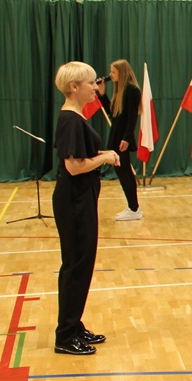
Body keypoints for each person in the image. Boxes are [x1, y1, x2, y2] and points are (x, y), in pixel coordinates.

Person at [52, 61, 120, 356]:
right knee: (76, 265)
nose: (96, 87)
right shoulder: (70, 119)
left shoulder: (76, 117)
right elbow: (74, 166)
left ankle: (74, 324)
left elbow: (82, 154)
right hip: (74, 200)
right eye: (91, 83)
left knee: (81, 263)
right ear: (74, 87)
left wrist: (103, 152)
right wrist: (104, 158)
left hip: (81, 198)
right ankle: (65, 335)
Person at [96, 59, 142, 221]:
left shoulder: (132, 90)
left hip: (123, 138)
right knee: (123, 171)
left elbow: (132, 118)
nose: (110, 75)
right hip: (117, 135)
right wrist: (102, 94)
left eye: (113, 72)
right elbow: (112, 112)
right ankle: (133, 207)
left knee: (124, 172)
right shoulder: (120, 90)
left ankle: (134, 208)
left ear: (121, 73)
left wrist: (127, 138)